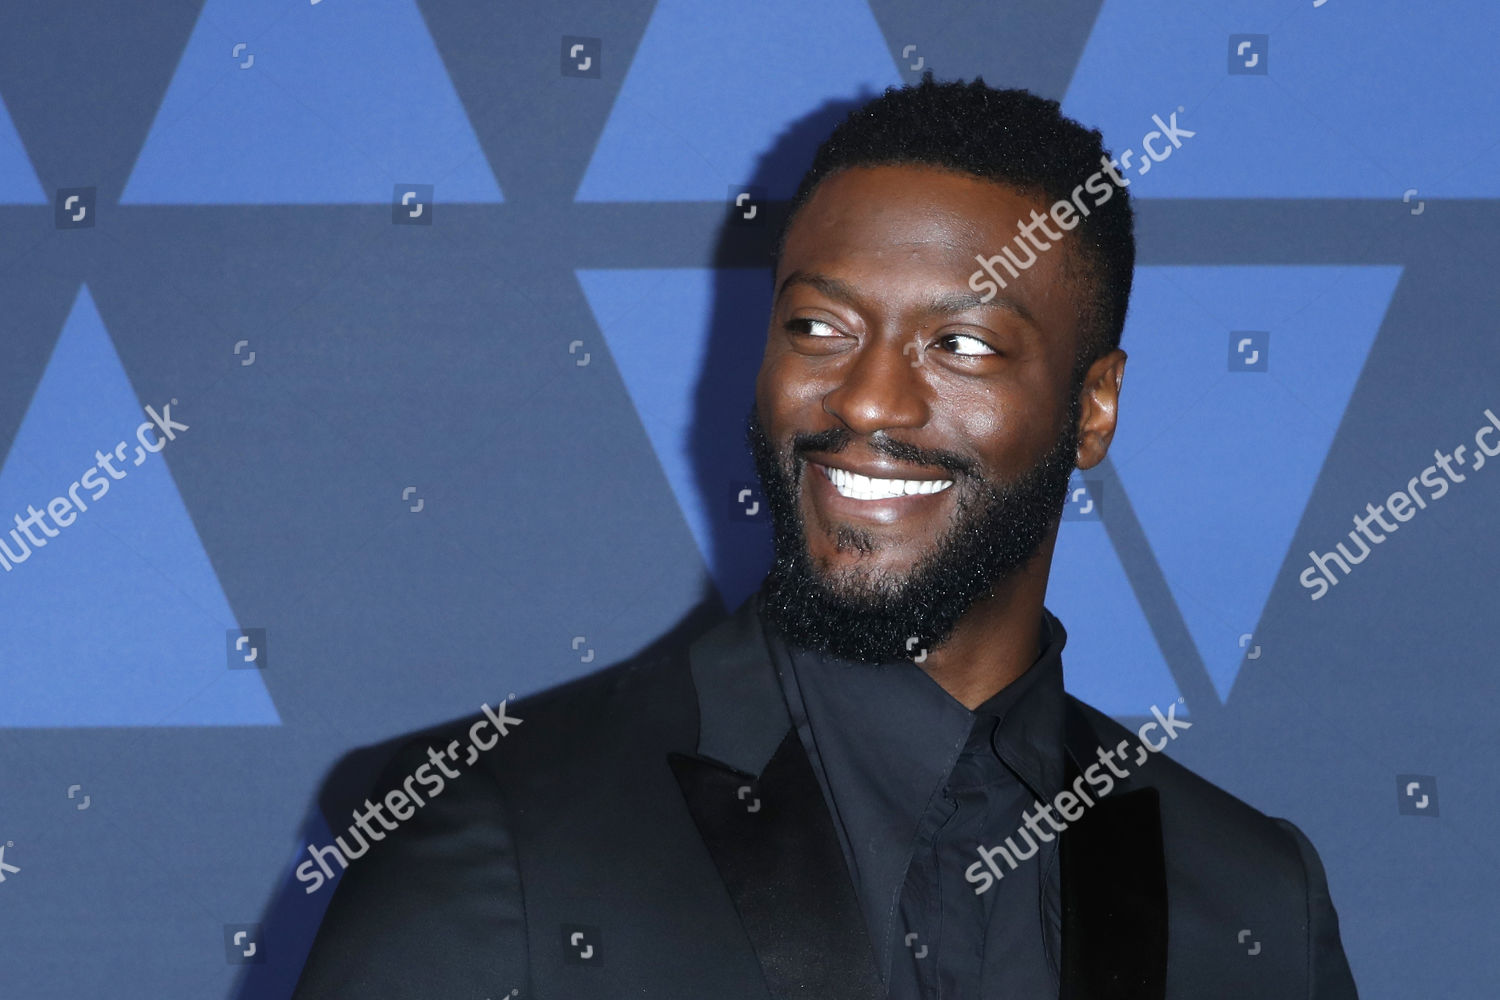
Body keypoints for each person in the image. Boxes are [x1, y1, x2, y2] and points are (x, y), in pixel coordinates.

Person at [290, 75, 1358, 999]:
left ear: (1093, 409)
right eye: (819, 327)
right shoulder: (495, 832)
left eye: (962, 343)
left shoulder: (1248, 893)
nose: (870, 400)